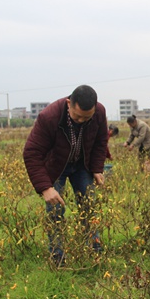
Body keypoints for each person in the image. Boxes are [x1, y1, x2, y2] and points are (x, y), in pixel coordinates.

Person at [23, 85, 108, 266]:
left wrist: (97, 168)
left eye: (87, 118)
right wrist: (46, 187)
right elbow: (31, 152)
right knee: (56, 211)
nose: (81, 121)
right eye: (77, 116)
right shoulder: (49, 116)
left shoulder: (99, 112)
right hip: (56, 167)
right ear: (69, 103)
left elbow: (101, 142)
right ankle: (58, 256)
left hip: (81, 166)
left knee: (89, 205)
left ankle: (94, 250)